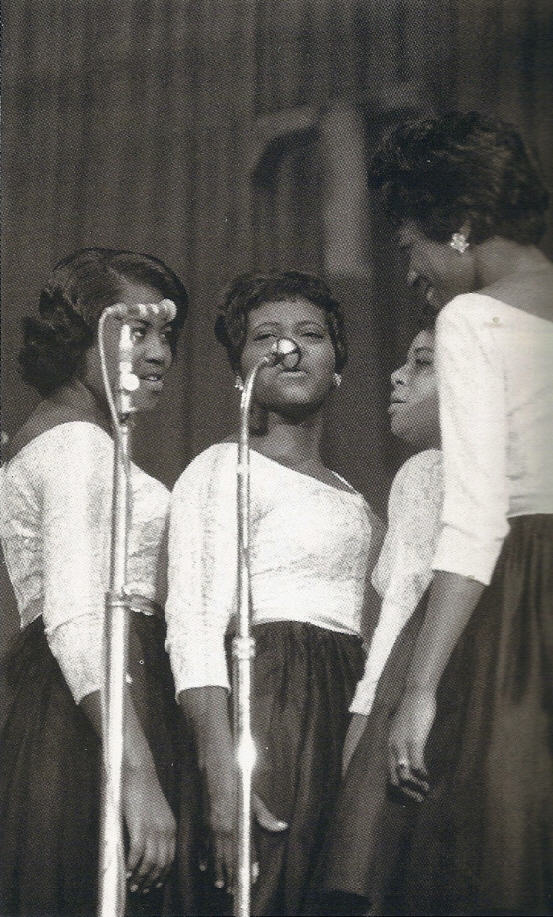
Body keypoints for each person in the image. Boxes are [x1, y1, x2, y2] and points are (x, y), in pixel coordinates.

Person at [367, 111, 553, 915]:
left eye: (408, 246)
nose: (410, 271)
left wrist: (419, 689)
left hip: (523, 601)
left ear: (457, 225)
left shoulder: (472, 319)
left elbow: (474, 518)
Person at [165, 269, 383, 917]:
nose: (288, 349)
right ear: (240, 370)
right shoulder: (222, 467)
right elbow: (193, 623)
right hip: (269, 704)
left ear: (337, 365)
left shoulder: (355, 500)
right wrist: (223, 770)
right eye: (265, 336)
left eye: (310, 334)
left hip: (347, 708)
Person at [0, 247, 189, 917]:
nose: (160, 352)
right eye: (138, 330)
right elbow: (77, 616)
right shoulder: (77, 444)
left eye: (167, 333)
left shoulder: (74, 437)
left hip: (91, 697)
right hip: (94, 705)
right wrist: (136, 774)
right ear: (80, 333)